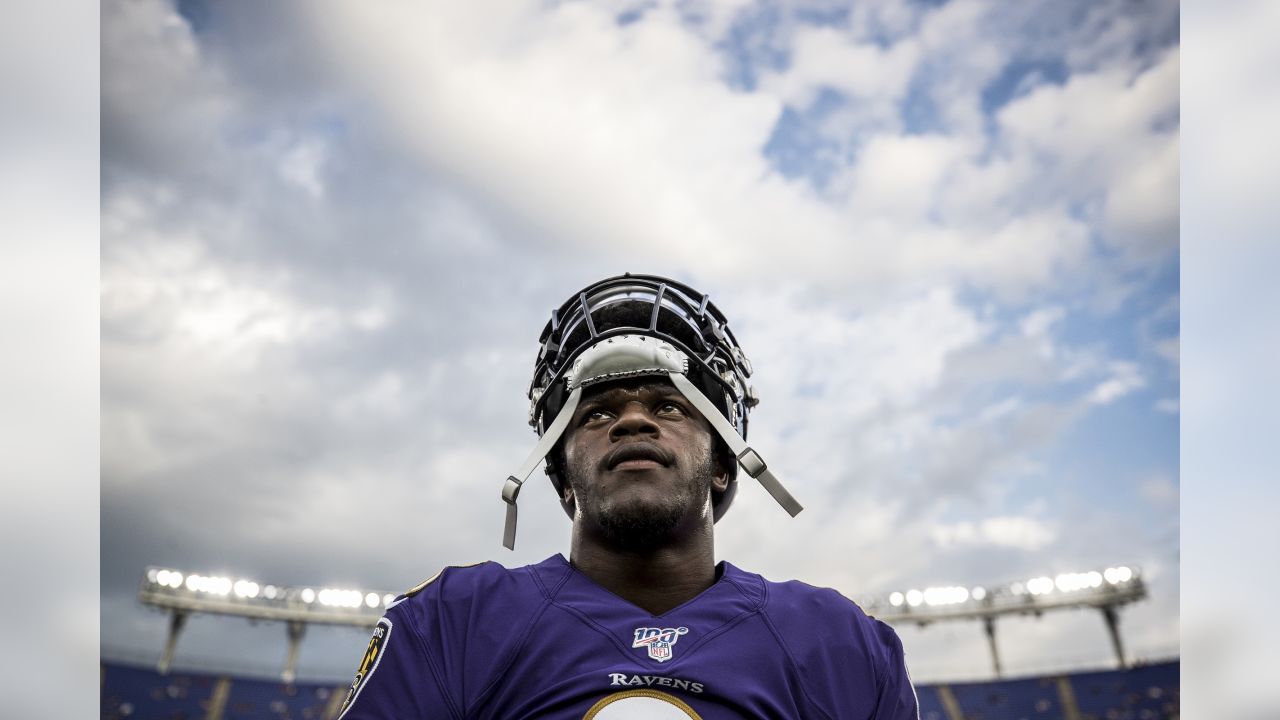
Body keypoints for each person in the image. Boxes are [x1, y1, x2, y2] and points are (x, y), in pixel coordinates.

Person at [338, 274, 920, 719]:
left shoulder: (838, 642)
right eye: (597, 413)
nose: (632, 421)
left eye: (669, 406)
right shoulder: (453, 620)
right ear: (562, 475)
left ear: (722, 464)